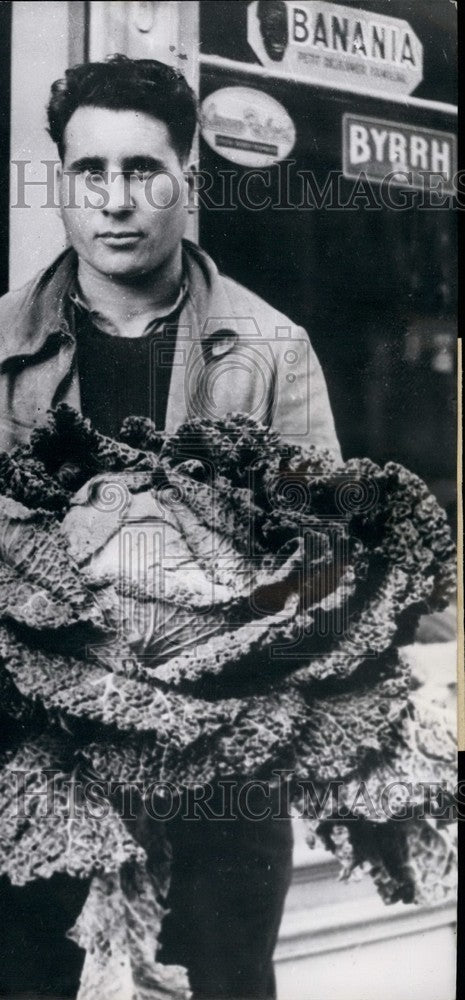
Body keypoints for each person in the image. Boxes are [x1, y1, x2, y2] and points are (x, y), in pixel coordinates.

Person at [0, 55, 341, 999]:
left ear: (188, 176)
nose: (117, 200)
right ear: (60, 179)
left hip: (219, 783)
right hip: (31, 773)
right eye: (90, 171)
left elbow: (321, 573)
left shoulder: (272, 350)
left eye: (145, 169)